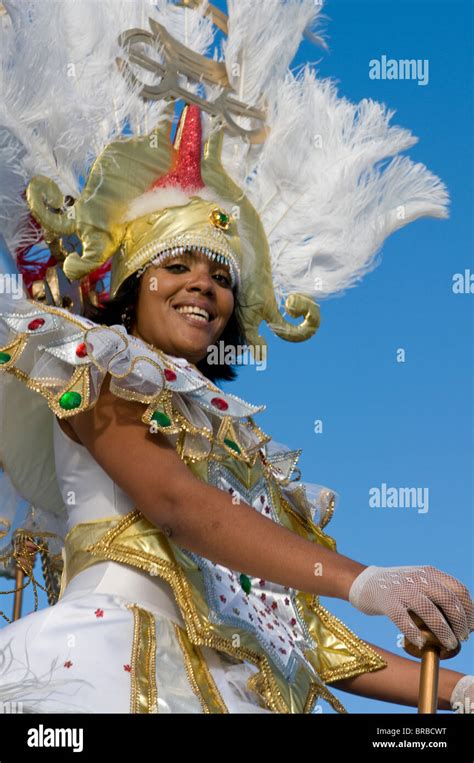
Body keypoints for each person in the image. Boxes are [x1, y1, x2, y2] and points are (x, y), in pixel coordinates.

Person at [0, 0, 472, 714]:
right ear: (130, 285)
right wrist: (365, 578)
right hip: (102, 669)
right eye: (177, 265)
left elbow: (302, 635)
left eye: (221, 276)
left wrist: (455, 687)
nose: (203, 286)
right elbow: (179, 505)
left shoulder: (247, 449)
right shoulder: (88, 366)